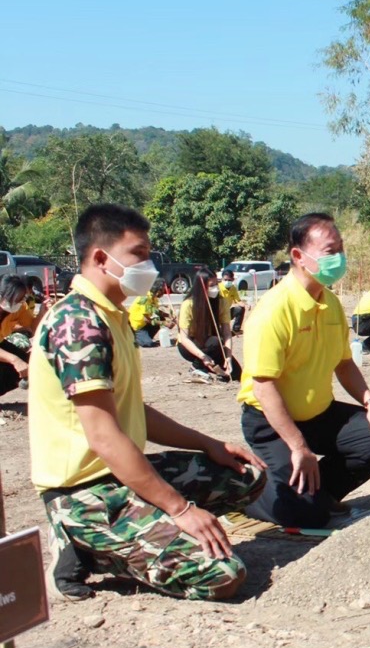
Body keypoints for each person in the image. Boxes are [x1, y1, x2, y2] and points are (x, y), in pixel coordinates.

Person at [31, 203, 266, 602]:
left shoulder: (111, 315)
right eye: (138, 254)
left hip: (120, 476)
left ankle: (136, 537)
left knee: (246, 475)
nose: (149, 265)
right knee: (222, 575)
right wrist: (179, 510)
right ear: (102, 259)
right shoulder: (78, 324)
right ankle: (84, 548)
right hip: (84, 493)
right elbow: (105, 438)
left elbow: (131, 411)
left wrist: (207, 443)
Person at [239, 213, 370, 528]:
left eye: (341, 249)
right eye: (331, 251)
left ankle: (319, 493)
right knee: (304, 516)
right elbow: (263, 386)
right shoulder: (274, 310)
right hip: (271, 422)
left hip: (318, 415)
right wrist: (297, 445)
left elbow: (344, 363)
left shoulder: (330, 303)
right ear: (299, 256)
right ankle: (248, 492)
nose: (340, 258)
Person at [177, 268, 241, 383]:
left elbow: (226, 333)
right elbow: (184, 338)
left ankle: (210, 368)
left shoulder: (221, 302)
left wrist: (228, 357)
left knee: (235, 373)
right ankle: (196, 367)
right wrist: (202, 357)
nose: (215, 288)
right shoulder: (188, 304)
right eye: (211, 285)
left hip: (211, 345)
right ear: (201, 287)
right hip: (190, 346)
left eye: (217, 284)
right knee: (215, 342)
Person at [0, 276, 44, 396]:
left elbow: (32, 328)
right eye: (17, 298)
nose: (20, 301)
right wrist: (14, 360)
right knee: (15, 360)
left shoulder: (23, 306)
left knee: (26, 363)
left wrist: (42, 312)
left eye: (22, 298)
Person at [128, 280, 174, 347]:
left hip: (145, 324)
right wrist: (165, 323)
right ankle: (137, 337)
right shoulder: (145, 298)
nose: (163, 293)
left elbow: (156, 311)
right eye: (163, 291)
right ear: (158, 291)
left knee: (160, 318)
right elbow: (146, 319)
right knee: (148, 344)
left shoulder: (154, 298)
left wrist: (169, 316)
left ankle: (146, 337)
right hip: (137, 326)